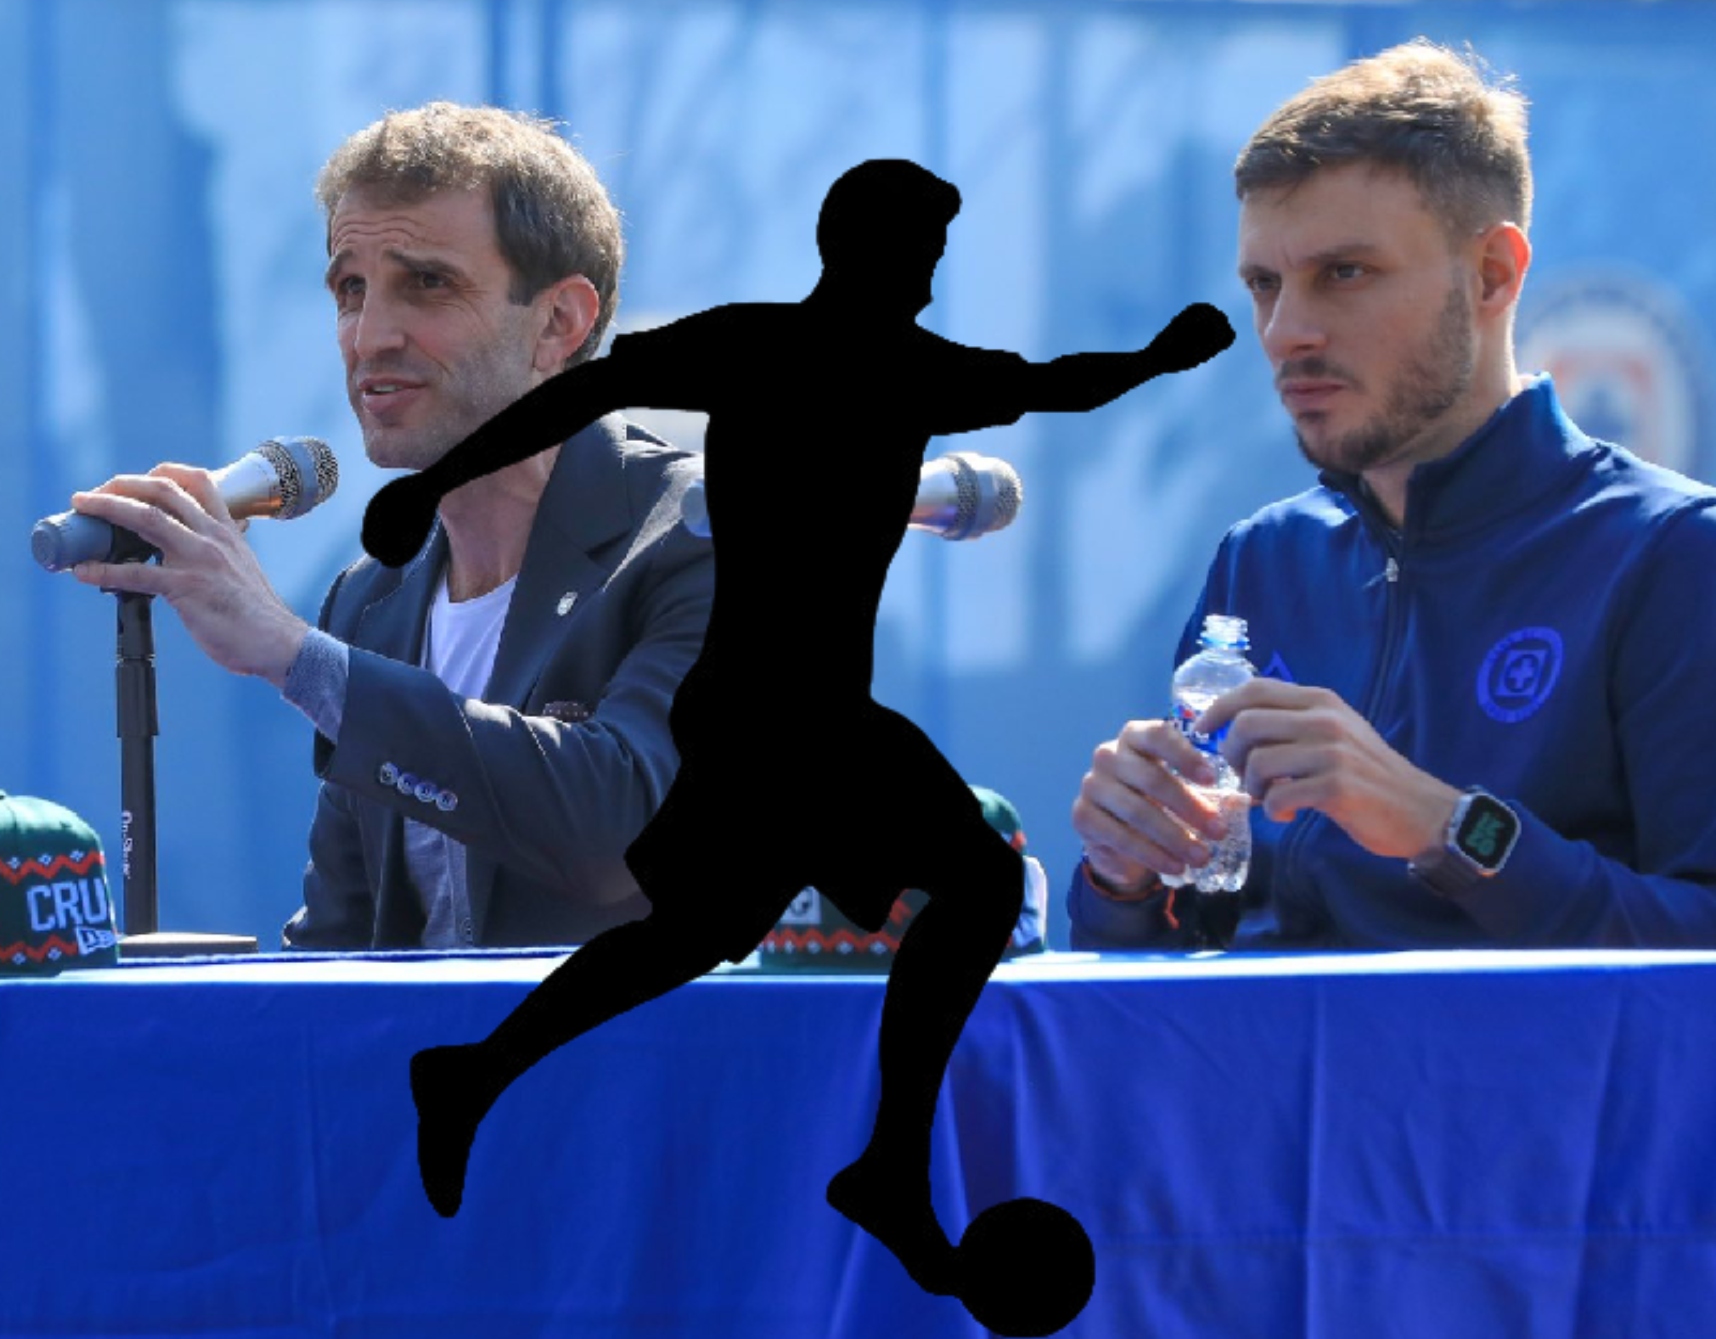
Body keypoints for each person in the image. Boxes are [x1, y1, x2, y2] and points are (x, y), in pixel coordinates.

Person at [370, 158, 1230, 1336]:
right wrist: (435, 487)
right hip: (783, 717)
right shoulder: (793, 349)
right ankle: (883, 1164)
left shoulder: (861, 359)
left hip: (790, 712)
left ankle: (474, 1074)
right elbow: (581, 396)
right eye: (919, 247)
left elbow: (1051, 385)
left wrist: (1150, 360)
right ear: (865, 248)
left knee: (701, 932)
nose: (930, 272)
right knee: (968, 880)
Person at [1068, 39, 1716, 952]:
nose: (1287, 331)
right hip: (1270, 1097)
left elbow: (1703, 953)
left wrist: (1447, 829)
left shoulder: (1675, 554)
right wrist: (1122, 876)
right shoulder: (1263, 561)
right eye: (1264, 284)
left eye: (1345, 273)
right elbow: (1182, 957)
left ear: (1492, 274)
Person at [62, 101, 711, 950]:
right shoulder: (374, 599)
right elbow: (339, 943)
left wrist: (295, 657)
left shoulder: (700, 536)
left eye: (428, 284)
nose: (370, 336)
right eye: (350, 290)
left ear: (560, 323)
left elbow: (624, 834)